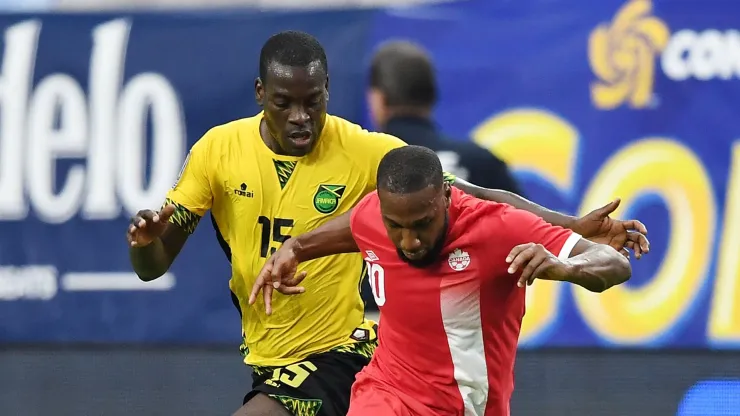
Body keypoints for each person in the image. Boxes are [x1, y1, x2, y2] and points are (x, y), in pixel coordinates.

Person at [126, 31, 648, 416]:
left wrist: (572, 233)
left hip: (342, 354)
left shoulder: (367, 152)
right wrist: (151, 245)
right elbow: (152, 267)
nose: (302, 117)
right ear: (261, 93)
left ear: (331, 90)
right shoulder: (217, 151)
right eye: (285, 104)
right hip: (273, 358)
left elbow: (466, 194)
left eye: (315, 102)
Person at [250, 145, 633, 416]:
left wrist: (565, 267)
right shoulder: (374, 214)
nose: (410, 241)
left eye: (422, 224)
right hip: (385, 392)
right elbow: (355, 225)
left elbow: (613, 263)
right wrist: (296, 248)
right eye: (396, 227)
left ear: (447, 197)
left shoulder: (498, 229)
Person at [367, 40, 521, 194]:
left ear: (378, 98)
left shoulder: (366, 167)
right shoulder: (482, 162)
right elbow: (527, 216)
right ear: (432, 96)